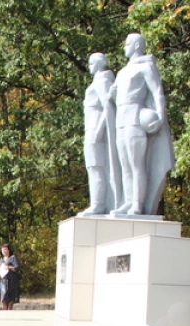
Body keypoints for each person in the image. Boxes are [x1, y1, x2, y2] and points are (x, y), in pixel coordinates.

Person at [110, 33, 174, 217]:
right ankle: (128, 201)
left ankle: (137, 203)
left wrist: (160, 115)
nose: (124, 48)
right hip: (120, 118)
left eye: (127, 44)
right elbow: (114, 96)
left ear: (137, 45)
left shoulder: (146, 66)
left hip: (135, 117)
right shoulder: (122, 72)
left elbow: (157, 92)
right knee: (125, 164)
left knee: (136, 163)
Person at [79, 52, 120, 216]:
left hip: (95, 129)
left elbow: (108, 105)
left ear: (97, 63)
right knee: (93, 167)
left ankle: (98, 204)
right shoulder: (99, 81)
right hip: (91, 127)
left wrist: (99, 129)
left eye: (90, 63)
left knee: (96, 168)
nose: (89, 67)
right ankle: (96, 203)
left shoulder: (102, 80)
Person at [0, 244, 20, 310]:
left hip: (11, 281)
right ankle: (5, 316)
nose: (4, 251)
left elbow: (17, 268)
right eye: (3, 250)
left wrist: (9, 267)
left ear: (9, 250)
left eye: (6, 249)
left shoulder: (13, 257)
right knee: (3, 299)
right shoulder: (1, 259)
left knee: (10, 299)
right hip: (2, 281)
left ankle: (10, 313)